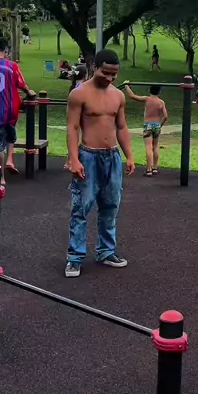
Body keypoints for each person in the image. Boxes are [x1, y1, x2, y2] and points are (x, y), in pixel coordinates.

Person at [64, 49, 135, 278]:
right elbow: (72, 127)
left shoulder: (118, 96)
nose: (110, 78)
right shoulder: (79, 94)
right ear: (94, 67)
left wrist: (129, 155)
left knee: (111, 206)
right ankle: (75, 257)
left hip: (112, 157)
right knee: (81, 208)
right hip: (88, 156)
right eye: (106, 72)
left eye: (114, 74)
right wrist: (74, 159)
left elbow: (121, 127)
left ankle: (106, 251)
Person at [0, 37, 36, 183]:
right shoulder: (12, 66)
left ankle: (1, 176)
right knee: (10, 135)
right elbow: (22, 84)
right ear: (6, 51)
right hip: (10, 109)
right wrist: (29, 92)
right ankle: (9, 161)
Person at [124, 83, 168, 176]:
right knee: (155, 146)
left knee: (148, 147)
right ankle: (155, 168)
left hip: (148, 125)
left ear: (149, 90)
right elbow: (165, 117)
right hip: (156, 125)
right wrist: (160, 125)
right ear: (159, 92)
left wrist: (126, 86)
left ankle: (149, 170)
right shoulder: (161, 102)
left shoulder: (147, 99)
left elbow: (132, 96)